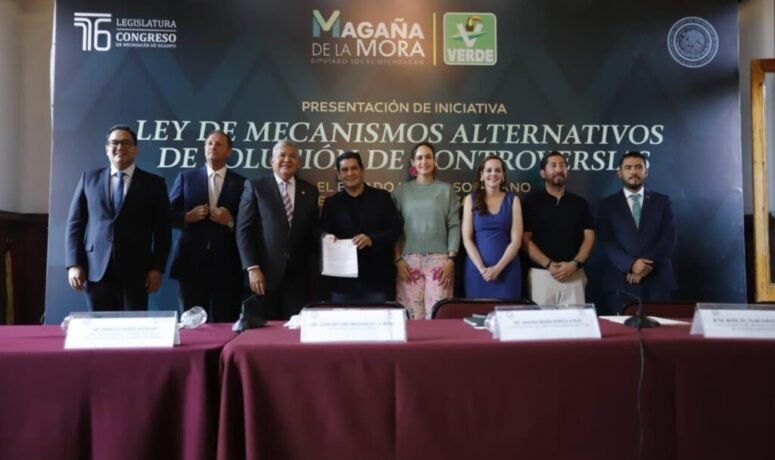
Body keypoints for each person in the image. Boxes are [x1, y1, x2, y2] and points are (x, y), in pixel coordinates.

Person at [65, 125, 171, 310]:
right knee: (98, 326)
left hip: (137, 271)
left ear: (136, 149)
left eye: (126, 143)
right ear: (107, 148)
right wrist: (74, 264)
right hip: (96, 270)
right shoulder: (88, 179)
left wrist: (157, 268)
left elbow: (163, 231)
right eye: (114, 143)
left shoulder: (154, 183)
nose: (120, 147)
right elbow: (75, 224)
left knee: (134, 326)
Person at [168, 130, 247, 322]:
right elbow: (166, 215)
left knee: (226, 321)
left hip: (227, 264)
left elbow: (249, 223)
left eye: (219, 144)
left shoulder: (241, 183)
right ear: (204, 148)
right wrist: (187, 216)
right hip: (191, 263)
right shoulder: (186, 178)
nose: (213, 147)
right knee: (191, 324)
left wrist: (230, 221)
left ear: (229, 152)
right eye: (209, 143)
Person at [236, 140, 319, 320]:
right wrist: (252, 268)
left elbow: (313, 229)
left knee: (294, 329)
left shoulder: (310, 191)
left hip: (298, 278)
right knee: (264, 330)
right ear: (272, 160)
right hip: (263, 276)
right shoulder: (256, 186)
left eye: (292, 156)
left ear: (298, 162)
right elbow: (243, 230)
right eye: (282, 155)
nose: (287, 160)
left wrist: (327, 238)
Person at [597, 151, 677, 315]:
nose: (633, 171)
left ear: (645, 172)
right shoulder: (607, 205)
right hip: (620, 282)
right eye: (628, 168)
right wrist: (631, 264)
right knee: (620, 330)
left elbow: (668, 238)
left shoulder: (662, 201)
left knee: (661, 329)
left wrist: (646, 266)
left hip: (657, 281)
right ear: (619, 173)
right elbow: (606, 241)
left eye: (638, 167)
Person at [320, 152, 401, 303]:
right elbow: (322, 232)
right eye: (345, 170)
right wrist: (326, 237)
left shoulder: (382, 197)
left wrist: (372, 240)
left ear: (362, 170)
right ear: (338, 174)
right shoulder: (331, 203)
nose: (350, 173)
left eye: (354, 168)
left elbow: (395, 230)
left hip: (376, 281)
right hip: (342, 283)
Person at [392, 142, 460, 319]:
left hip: (440, 262)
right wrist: (398, 260)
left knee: (438, 316)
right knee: (412, 318)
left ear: (435, 160)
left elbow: (454, 225)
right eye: (420, 158)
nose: (424, 161)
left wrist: (451, 260)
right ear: (413, 162)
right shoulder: (401, 192)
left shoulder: (446, 190)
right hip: (408, 263)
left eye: (428, 157)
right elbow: (394, 229)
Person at [522, 151, 594, 305]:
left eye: (562, 165)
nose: (559, 169)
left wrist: (575, 264)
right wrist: (548, 264)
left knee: (576, 321)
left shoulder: (580, 203)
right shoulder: (531, 203)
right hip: (541, 275)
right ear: (543, 173)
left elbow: (589, 237)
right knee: (541, 320)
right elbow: (525, 239)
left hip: (574, 274)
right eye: (553, 165)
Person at [462, 155, 523, 298]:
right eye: (489, 170)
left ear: (503, 175)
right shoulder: (470, 199)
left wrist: (498, 268)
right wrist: (482, 269)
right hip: (477, 272)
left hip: (507, 271)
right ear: (482, 175)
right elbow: (467, 239)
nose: (493, 174)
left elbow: (516, 241)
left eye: (498, 170)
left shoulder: (513, 200)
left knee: (507, 311)